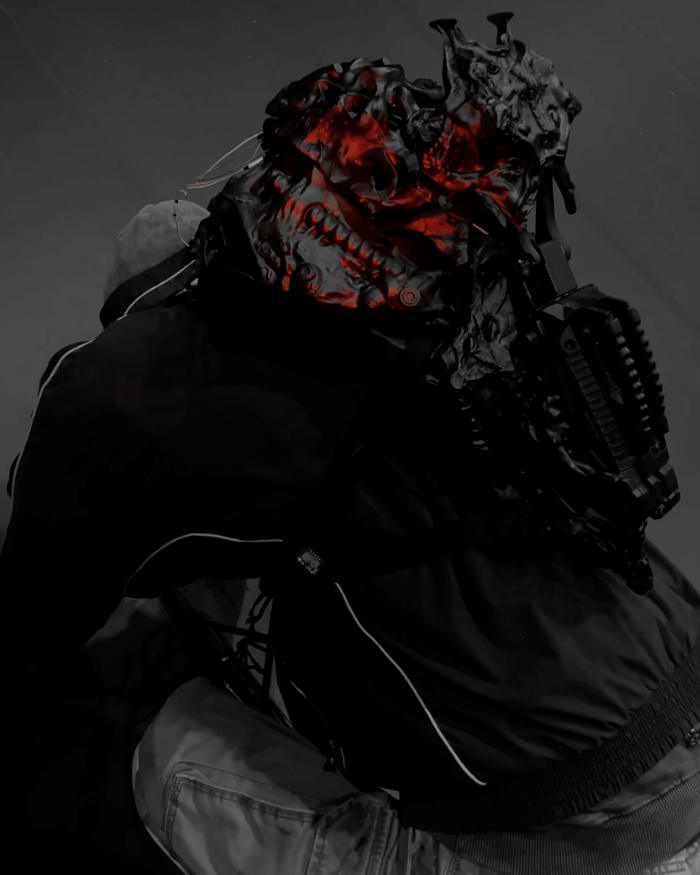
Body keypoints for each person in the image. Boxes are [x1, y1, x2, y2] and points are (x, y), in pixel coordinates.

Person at [3, 14, 699, 875]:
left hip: (590, 845)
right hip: (677, 690)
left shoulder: (126, 393)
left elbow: (33, 613)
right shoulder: (471, 298)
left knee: (173, 758)